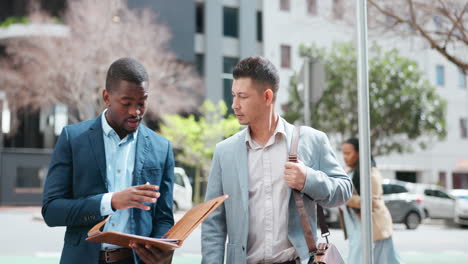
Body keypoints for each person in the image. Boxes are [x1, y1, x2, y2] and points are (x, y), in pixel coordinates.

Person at [201, 56, 352, 264]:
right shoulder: (224, 152)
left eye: (242, 97)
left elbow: (344, 190)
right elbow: (213, 222)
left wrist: (308, 179)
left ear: (267, 97)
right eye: (234, 95)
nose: (234, 104)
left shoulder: (312, 140)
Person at [42, 57, 175, 264]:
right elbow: (52, 211)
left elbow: (164, 217)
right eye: (126, 103)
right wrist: (110, 202)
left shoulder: (161, 148)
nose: (135, 112)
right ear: (107, 97)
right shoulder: (73, 138)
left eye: (142, 103)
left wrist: (161, 247)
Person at [341, 137, 403, 264]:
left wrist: (345, 197)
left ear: (359, 153)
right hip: (356, 227)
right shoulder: (348, 172)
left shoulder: (371, 172)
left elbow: (372, 202)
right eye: (343, 153)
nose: (345, 157)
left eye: (348, 153)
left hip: (374, 227)